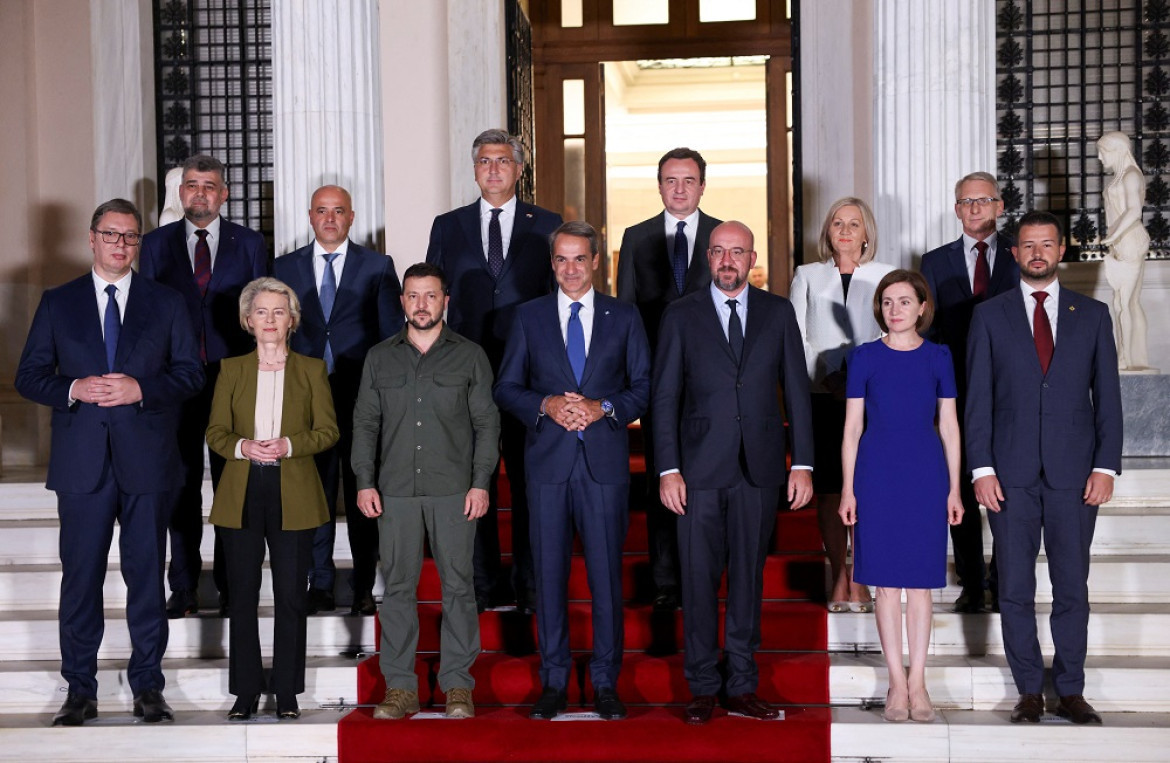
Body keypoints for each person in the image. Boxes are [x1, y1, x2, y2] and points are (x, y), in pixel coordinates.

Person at [15, 198, 204, 726]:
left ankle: (149, 686)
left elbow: (191, 374)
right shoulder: (58, 302)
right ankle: (80, 690)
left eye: (130, 236)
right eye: (111, 234)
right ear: (92, 238)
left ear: (137, 244)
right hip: (82, 467)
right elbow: (28, 376)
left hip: (147, 462)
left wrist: (142, 388)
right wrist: (73, 386)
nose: (121, 244)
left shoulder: (165, 303)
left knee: (147, 578)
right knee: (81, 581)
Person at [652, 221, 814, 725]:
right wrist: (667, 468)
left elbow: (797, 390)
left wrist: (802, 462)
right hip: (697, 471)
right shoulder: (680, 315)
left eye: (737, 252)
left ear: (752, 258)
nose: (727, 260)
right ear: (707, 257)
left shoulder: (778, 311)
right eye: (719, 251)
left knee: (748, 580)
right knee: (697, 582)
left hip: (759, 468)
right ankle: (701, 686)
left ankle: (741, 685)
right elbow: (663, 397)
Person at [966, 211, 1123, 725]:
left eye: (1046, 244)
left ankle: (1071, 689)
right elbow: (979, 401)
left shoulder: (1093, 315)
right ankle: (1029, 690)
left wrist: (1106, 467)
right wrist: (981, 468)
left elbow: (1110, 400)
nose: (1037, 253)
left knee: (1071, 587)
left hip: (1075, 475)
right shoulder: (989, 316)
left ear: (1061, 251)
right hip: (1008, 475)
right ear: (1014, 254)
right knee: (1013, 587)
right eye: (1027, 245)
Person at [495, 221, 651, 720]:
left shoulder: (624, 317)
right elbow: (506, 387)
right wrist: (545, 403)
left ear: (596, 261)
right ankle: (555, 681)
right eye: (561, 260)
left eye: (579, 259)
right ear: (552, 263)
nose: (570, 269)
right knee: (548, 576)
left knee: (606, 579)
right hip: (547, 466)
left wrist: (603, 407)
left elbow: (644, 387)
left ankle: (606, 681)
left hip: (603, 465)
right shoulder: (528, 317)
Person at [352, 263, 500, 720]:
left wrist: (480, 482)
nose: (421, 304)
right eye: (413, 296)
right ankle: (401, 688)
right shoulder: (379, 357)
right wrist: (364, 481)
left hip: (454, 490)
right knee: (397, 588)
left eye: (430, 296)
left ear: (445, 301)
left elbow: (486, 424)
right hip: (394, 490)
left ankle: (458, 685)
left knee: (458, 587)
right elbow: (365, 423)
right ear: (402, 302)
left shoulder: (470, 356)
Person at [427, 128, 563, 614]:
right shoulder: (449, 225)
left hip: (529, 375)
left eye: (503, 161)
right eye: (484, 161)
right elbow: (434, 296)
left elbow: (559, 297)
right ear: (475, 169)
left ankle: (529, 586)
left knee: (529, 482)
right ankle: (483, 586)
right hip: (466, 372)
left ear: (519, 169)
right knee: (473, 480)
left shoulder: (548, 223)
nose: (493, 169)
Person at [140, 153, 269, 619]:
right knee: (180, 485)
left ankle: (234, 586)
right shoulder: (154, 245)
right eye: (192, 185)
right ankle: (185, 586)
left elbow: (262, 310)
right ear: (181, 193)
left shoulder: (250, 243)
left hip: (232, 379)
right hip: (175, 381)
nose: (200, 193)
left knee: (233, 485)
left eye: (209, 185)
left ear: (224, 193)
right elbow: (145, 314)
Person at [206, 277, 339, 721]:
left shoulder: (312, 370)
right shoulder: (230, 370)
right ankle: (245, 692)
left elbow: (328, 431)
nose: (269, 319)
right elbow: (215, 433)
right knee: (242, 596)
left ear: (292, 320)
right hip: (242, 490)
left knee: (290, 597)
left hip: (294, 490)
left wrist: (288, 445)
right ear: (247, 321)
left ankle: (286, 692)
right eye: (261, 311)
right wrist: (244, 447)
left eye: (278, 312)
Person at [839, 270, 964, 723]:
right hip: (877, 475)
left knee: (922, 584)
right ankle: (895, 681)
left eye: (904, 302)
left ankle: (919, 682)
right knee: (886, 584)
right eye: (887, 302)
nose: (895, 310)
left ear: (922, 307)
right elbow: (852, 429)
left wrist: (954, 488)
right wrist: (848, 488)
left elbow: (949, 426)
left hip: (925, 475)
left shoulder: (939, 357)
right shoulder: (864, 358)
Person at [274, 185, 403, 616]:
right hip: (305, 400)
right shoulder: (283, 268)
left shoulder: (377, 266)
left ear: (351, 217)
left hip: (360, 397)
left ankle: (364, 585)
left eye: (339, 211)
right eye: (322, 211)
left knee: (364, 491)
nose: (330, 219)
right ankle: (321, 583)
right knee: (314, 494)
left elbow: (390, 337)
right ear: (310, 216)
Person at [616, 147, 722, 612]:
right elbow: (627, 316)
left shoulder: (723, 236)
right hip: (659, 379)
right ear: (659, 185)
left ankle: (705, 575)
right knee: (663, 477)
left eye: (688, 180)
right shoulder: (636, 238)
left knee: (707, 480)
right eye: (670, 180)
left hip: (712, 380)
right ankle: (665, 580)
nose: (679, 188)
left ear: (702, 185)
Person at [921, 171, 1019, 614]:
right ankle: (972, 581)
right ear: (957, 209)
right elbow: (930, 328)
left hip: (1011, 389)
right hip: (956, 389)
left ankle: (1003, 577)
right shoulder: (934, 262)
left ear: (1000, 206)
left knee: (1008, 481)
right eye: (966, 201)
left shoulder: (1021, 257)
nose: (975, 207)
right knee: (958, 480)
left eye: (984, 200)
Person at [789, 197, 893, 613]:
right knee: (832, 488)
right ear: (828, 233)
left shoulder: (888, 276)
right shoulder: (808, 275)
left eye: (854, 223)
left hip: (874, 398)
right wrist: (828, 376)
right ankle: (839, 573)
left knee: (868, 487)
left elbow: (894, 333)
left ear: (867, 232)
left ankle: (864, 573)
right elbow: (795, 336)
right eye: (838, 223)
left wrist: (862, 380)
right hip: (823, 396)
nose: (846, 231)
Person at [1097, 131, 1152, 372]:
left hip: (1130, 242)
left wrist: (1113, 235)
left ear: (1118, 151)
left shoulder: (1131, 176)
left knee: (1125, 303)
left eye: (1103, 152)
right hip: (1121, 243)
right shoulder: (1122, 176)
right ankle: (1129, 356)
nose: (1099, 158)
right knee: (1124, 302)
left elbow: (1134, 211)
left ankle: (1127, 358)